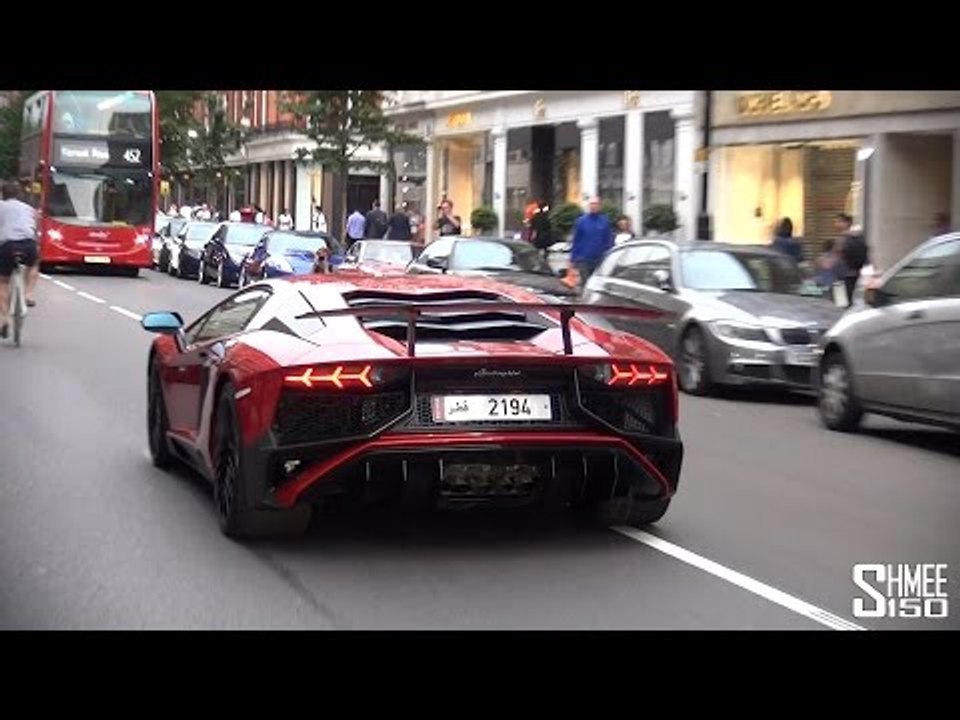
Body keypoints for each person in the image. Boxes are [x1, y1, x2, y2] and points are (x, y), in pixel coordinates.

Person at [0, 181, 40, 337]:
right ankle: (29, 294)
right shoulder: (29, 209)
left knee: (2, 281)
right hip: (28, 245)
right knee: (34, 264)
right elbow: (35, 228)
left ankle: (4, 319)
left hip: (8, 246)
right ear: (20, 195)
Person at [570, 196, 613, 286]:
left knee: (597, 285)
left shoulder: (604, 221)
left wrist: (609, 257)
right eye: (591, 204)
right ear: (588, 206)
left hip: (599, 259)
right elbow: (576, 240)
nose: (593, 206)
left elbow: (608, 240)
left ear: (599, 206)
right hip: (584, 260)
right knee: (586, 284)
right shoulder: (581, 221)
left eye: (595, 204)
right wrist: (573, 259)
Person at [835, 213, 868, 308]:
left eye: (839, 221)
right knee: (848, 299)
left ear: (846, 222)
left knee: (843, 301)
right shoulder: (858, 235)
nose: (836, 224)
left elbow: (838, 253)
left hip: (845, 273)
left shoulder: (845, 238)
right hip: (854, 272)